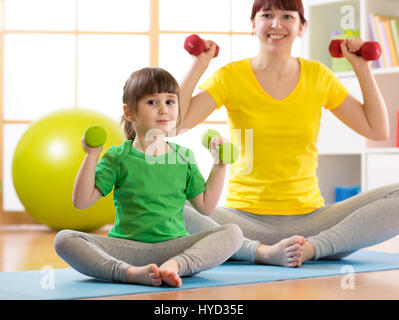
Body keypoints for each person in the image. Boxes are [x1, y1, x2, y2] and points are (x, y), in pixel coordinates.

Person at [175, 0, 399, 267]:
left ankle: (314, 249)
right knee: (165, 199)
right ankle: (258, 252)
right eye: (267, 15)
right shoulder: (230, 76)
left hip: (312, 222)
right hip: (242, 222)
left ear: (301, 27)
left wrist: (361, 67)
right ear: (253, 25)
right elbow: (175, 125)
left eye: (287, 16)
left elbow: (376, 129)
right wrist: (198, 65)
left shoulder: (319, 76)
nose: (276, 24)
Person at [54, 67, 243, 287]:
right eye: (152, 102)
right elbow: (81, 201)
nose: (163, 110)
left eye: (170, 102)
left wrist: (219, 164)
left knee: (233, 233)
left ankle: (176, 266)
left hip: (174, 247)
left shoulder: (184, 157)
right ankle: (129, 273)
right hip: (126, 249)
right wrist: (92, 155)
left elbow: (206, 206)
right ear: (129, 112)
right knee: (64, 239)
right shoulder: (118, 157)